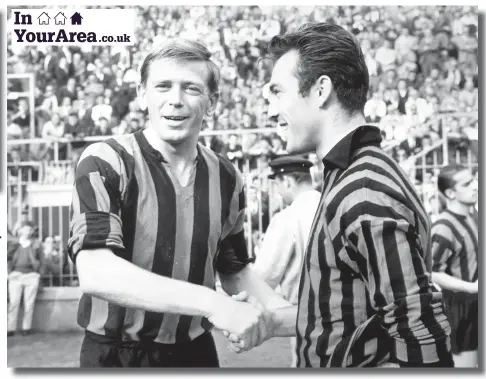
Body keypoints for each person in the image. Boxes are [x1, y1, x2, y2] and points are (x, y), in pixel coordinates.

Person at [229, 22, 453, 368]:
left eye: (278, 92)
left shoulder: (363, 189)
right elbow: (348, 315)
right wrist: (272, 321)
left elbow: (418, 329)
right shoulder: (348, 174)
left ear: (320, 91)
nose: (271, 111)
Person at [68, 38, 289, 368]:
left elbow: (234, 270)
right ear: (143, 95)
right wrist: (213, 304)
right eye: (162, 86)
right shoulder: (106, 160)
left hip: (195, 352)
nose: (175, 100)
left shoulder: (228, 177)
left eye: (191, 88)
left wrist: (295, 318)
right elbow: (96, 271)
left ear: (211, 100)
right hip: (115, 354)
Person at [252, 155, 320, 367]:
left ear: (288, 182)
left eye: (278, 185)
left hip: (303, 315)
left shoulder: (287, 217)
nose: (278, 192)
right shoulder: (335, 204)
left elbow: (264, 276)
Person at [431, 165, 478, 367]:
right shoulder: (443, 227)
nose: (476, 185)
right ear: (450, 193)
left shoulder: (474, 215)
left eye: (474, 179)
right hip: (462, 313)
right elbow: (432, 272)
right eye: (467, 184)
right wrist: (473, 287)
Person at [7, 221, 44, 337]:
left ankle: (26, 328)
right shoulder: (13, 243)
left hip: (31, 276)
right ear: (20, 230)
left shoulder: (36, 244)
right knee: (13, 303)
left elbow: (42, 261)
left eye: (29, 229)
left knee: (29, 304)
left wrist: (39, 275)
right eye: (25, 228)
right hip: (16, 275)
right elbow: (7, 257)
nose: (27, 231)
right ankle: (10, 328)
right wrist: (8, 273)